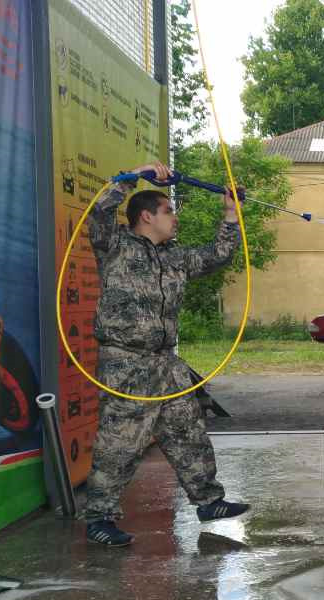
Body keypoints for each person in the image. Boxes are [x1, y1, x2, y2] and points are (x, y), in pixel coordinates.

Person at [82, 162, 249, 547]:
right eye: (168, 211)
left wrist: (229, 213)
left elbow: (218, 255)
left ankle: (209, 501)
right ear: (146, 216)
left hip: (165, 362)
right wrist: (134, 176)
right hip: (126, 362)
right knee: (120, 443)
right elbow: (100, 209)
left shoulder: (174, 256)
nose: (175, 218)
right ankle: (100, 518)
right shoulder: (115, 245)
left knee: (187, 431)